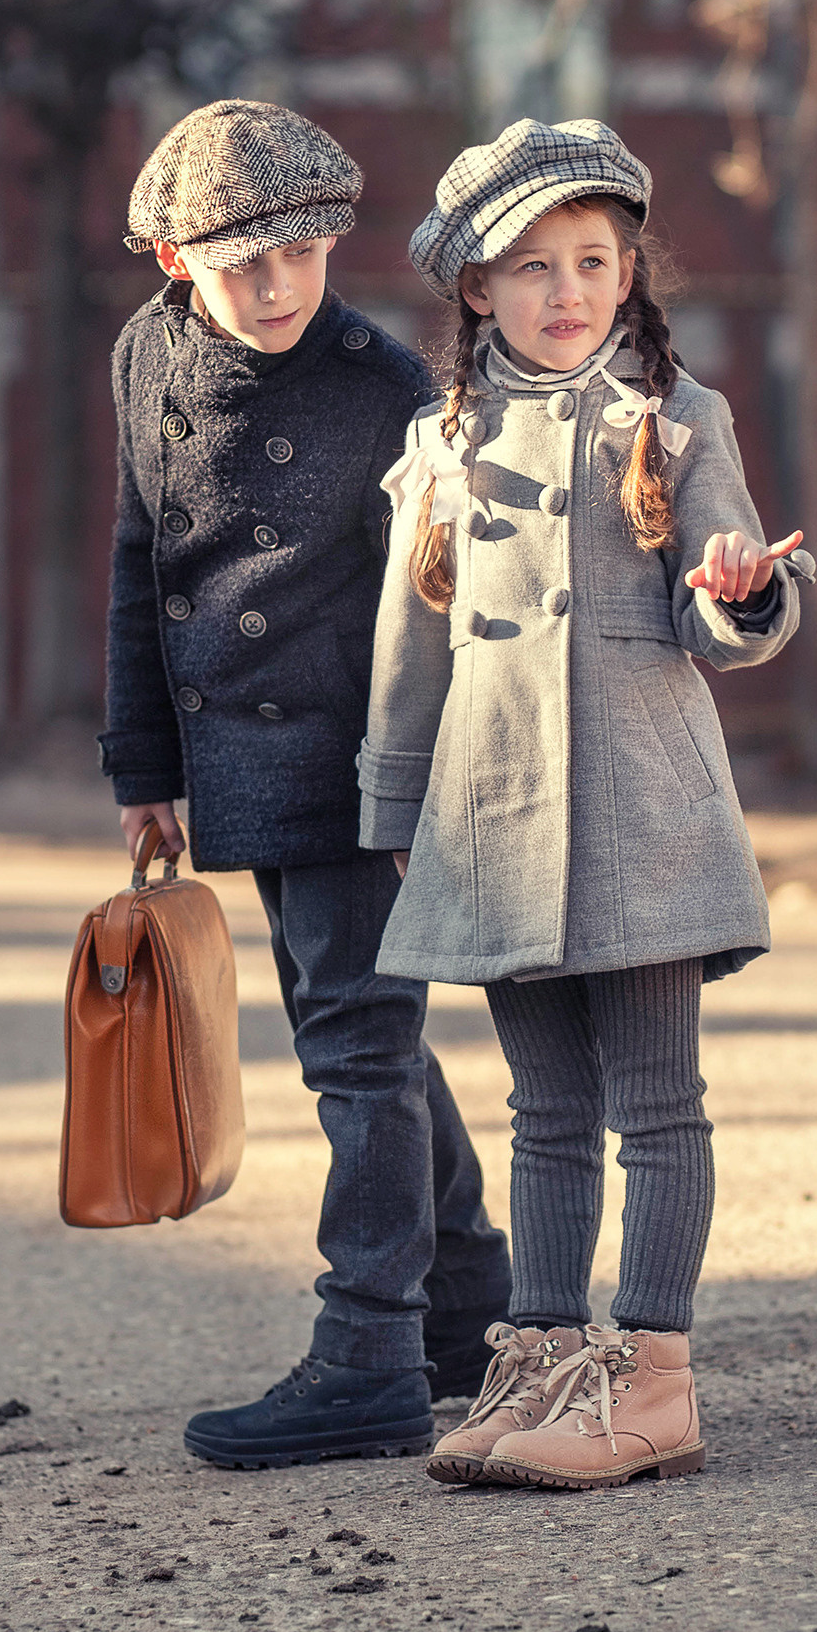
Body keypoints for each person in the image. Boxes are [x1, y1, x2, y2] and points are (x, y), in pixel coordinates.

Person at [357, 118, 810, 1491]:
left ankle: (654, 1380)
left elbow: (723, 616)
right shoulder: (443, 440)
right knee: (543, 1105)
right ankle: (546, 1361)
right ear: (476, 287)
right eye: (534, 266)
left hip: (644, 811)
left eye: (595, 261)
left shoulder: (679, 419)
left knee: (658, 1102)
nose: (568, 290)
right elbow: (409, 647)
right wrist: (397, 816)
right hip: (493, 817)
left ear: (630, 275)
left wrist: (739, 592)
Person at [100, 97, 512, 1468]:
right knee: (367, 1037)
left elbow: (445, 605)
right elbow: (142, 560)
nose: (279, 285)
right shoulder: (143, 357)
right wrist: (143, 761)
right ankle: (468, 1308)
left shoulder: (389, 389)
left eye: (303, 250)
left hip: (356, 760)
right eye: (242, 262)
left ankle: (371, 1354)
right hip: (235, 754)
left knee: (357, 1049)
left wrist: (425, 786)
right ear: (178, 262)